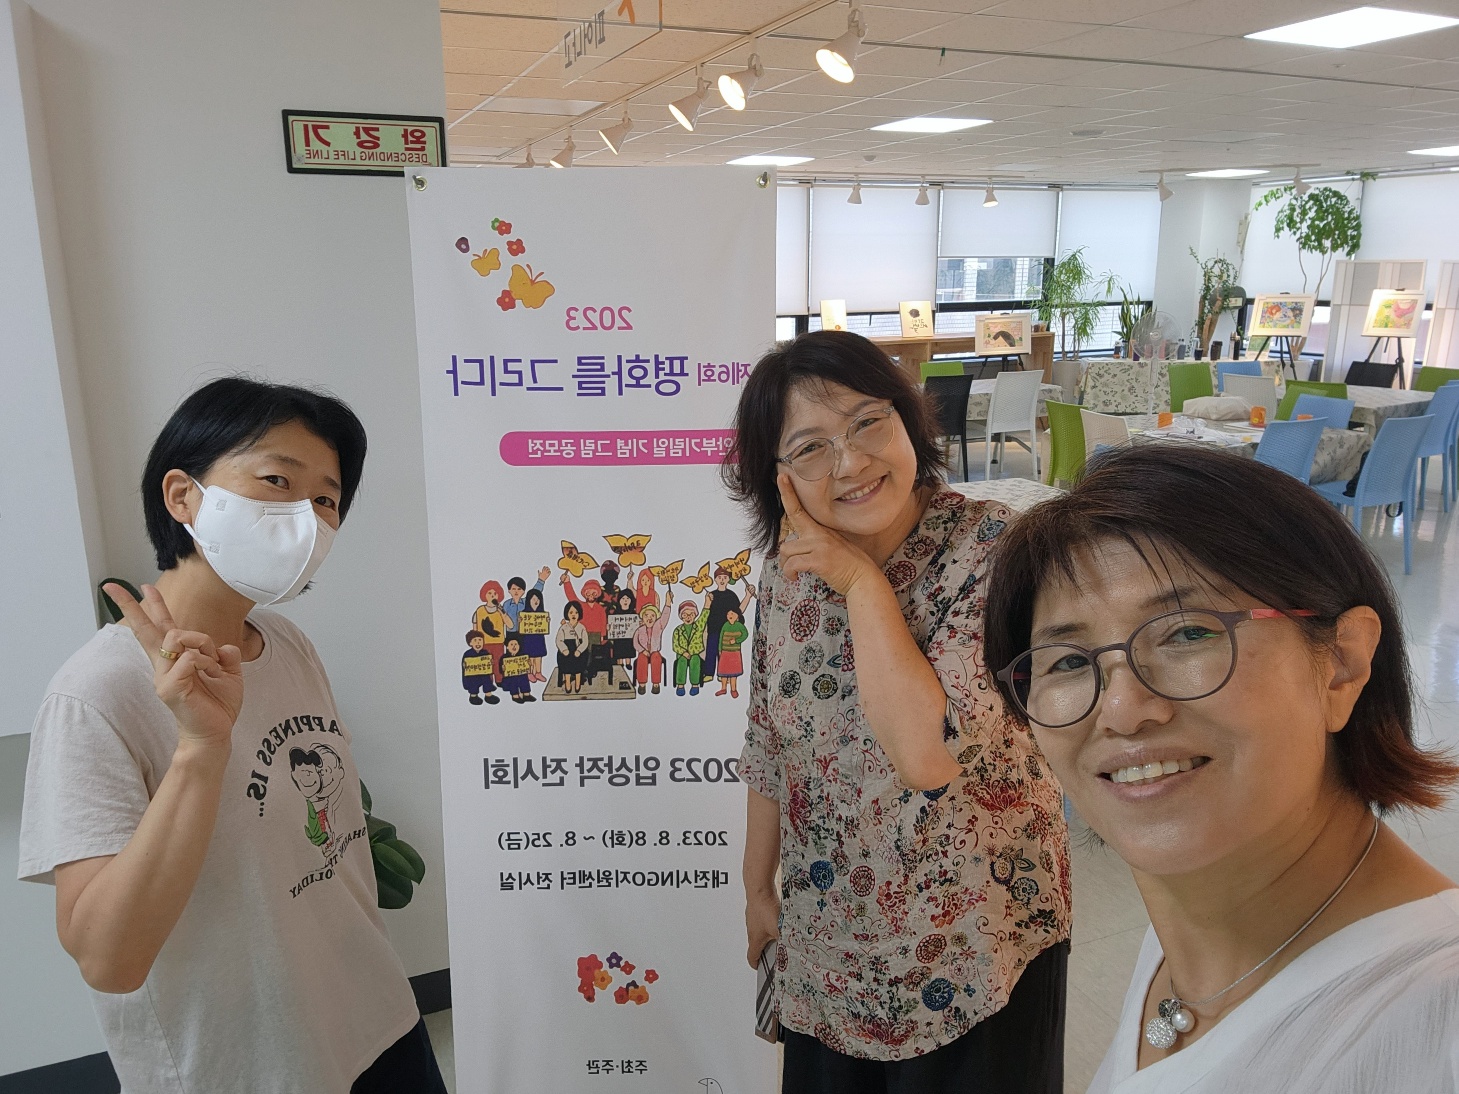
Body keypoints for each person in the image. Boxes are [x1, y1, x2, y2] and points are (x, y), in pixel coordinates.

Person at [983, 445, 1459, 1093]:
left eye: (1187, 633)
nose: (1122, 710)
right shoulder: (1193, 924)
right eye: (1067, 661)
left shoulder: (1436, 1024)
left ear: (1342, 664)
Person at [17, 377, 446, 1094]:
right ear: (182, 496)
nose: (306, 517)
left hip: (378, 1017)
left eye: (327, 500)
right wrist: (199, 750)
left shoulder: (287, 644)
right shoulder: (96, 693)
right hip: (249, 1063)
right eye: (277, 480)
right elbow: (108, 959)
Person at [724, 331, 1071, 1093]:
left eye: (866, 423)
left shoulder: (997, 552)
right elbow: (768, 741)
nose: (849, 463)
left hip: (973, 943)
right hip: (830, 939)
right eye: (809, 448)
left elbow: (925, 754)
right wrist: (756, 888)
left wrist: (860, 584)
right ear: (777, 477)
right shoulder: (788, 571)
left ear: (908, 420)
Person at [555, 601, 589, 694]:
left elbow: (585, 641)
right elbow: (559, 640)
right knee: (566, 661)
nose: (573, 615)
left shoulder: (582, 627)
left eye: (576, 612)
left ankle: (578, 682)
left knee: (579, 662)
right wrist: (564, 649)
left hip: (578, 649)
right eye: (571, 612)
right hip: (567, 649)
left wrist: (579, 650)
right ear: (567, 614)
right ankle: (567, 682)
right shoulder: (563, 627)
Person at [713, 608, 748, 698]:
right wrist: (720, 649)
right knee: (723, 672)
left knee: (733, 673)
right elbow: (721, 637)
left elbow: (745, 634)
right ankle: (723, 688)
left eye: (732, 613)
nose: (729, 616)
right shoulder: (725, 625)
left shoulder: (739, 626)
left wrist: (736, 640)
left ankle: (733, 689)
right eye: (728, 614)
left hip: (735, 652)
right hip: (725, 652)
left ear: (737, 615)